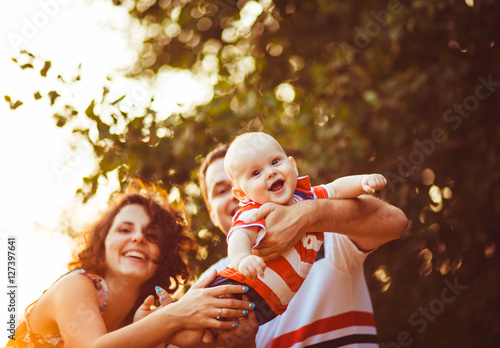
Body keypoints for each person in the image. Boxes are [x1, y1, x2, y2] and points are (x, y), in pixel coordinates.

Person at [198, 140, 408, 347]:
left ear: (291, 165)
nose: (268, 174)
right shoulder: (213, 282)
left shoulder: (327, 230)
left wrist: (306, 215)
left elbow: (396, 222)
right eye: (221, 190)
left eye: (274, 162)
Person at [6, 182, 255, 348]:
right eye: (125, 229)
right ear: (103, 242)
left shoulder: (144, 318)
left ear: (164, 255)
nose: (138, 238)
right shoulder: (75, 286)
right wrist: (177, 315)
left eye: (152, 234)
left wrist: (238, 337)